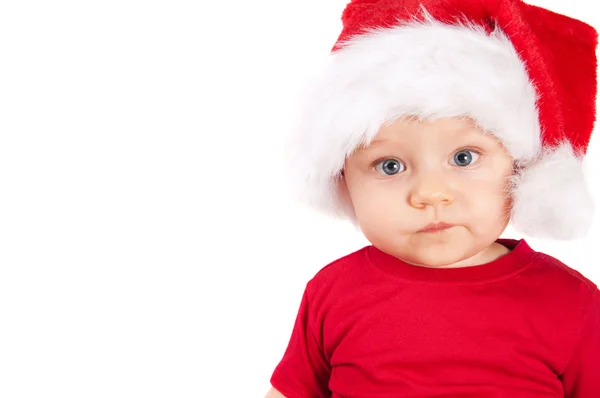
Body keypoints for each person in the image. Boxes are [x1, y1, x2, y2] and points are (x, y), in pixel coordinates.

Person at [265, 0, 599, 396]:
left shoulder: (570, 302)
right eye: (389, 165)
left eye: (464, 158)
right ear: (342, 179)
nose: (430, 193)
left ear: (520, 167)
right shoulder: (333, 292)